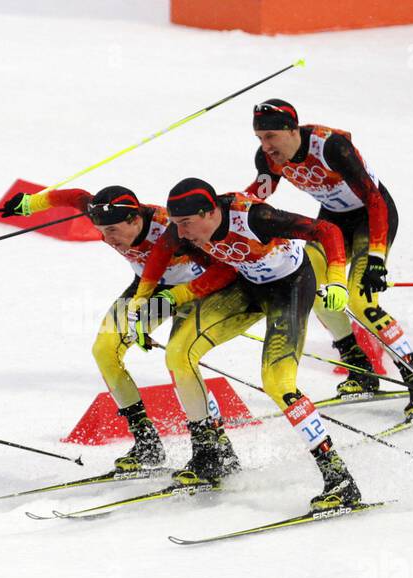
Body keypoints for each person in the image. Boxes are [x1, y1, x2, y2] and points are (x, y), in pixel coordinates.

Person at [127, 178, 361, 511]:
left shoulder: (254, 218)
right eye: (176, 226)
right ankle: (211, 455)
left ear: (209, 213)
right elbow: (164, 253)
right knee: (179, 354)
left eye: (185, 225)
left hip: (290, 289)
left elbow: (327, 231)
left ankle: (339, 478)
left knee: (278, 382)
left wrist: (337, 279)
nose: (179, 234)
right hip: (246, 285)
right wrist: (145, 305)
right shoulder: (185, 226)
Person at [0, 186, 237, 472]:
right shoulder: (103, 214)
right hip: (148, 288)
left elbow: (225, 264)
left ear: (135, 220)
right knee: (104, 350)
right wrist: (28, 204)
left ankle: (213, 446)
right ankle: (146, 441)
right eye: (102, 230)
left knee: (180, 359)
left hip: (195, 289)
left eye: (113, 230)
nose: (107, 238)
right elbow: (75, 197)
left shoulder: (170, 227)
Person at [246, 98, 413, 417]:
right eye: (260, 139)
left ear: (292, 129)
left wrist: (377, 257)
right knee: (312, 285)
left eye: (271, 137)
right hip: (333, 223)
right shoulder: (268, 159)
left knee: (361, 301)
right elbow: (257, 197)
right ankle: (359, 366)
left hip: (371, 218)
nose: (266, 146)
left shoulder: (331, 147)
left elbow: (374, 199)